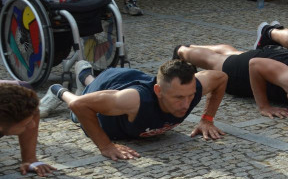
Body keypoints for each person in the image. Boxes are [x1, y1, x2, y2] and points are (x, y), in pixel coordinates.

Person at [39, 59, 227, 161]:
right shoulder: (135, 100)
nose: (186, 104)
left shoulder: (192, 88)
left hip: (123, 81)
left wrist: (207, 119)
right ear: (158, 91)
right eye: (178, 98)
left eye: (190, 96)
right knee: (77, 108)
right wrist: (105, 146)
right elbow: (79, 106)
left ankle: (85, 75)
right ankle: (58, 90)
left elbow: (221, 77)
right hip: (114, 90)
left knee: (93, 88)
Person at [176, 43, 288, 118]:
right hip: (255, 69)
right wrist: (264, 106)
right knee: (216, 62)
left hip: (278, 62)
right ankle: (182, 51)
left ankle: (195, 47)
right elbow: (255, 65)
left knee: (235, 54)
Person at [0, 83, 55, 176]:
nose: (33, 125)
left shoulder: (23, 91)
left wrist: (29, 159)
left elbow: (34, 111)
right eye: (26, 124)